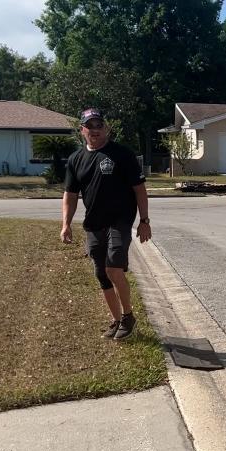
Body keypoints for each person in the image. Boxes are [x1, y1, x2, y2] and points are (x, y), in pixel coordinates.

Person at [61, 107, 151, 340]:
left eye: (99, 125)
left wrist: (144, 221)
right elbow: (70, 195)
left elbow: (139, 189)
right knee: (101, 274)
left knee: (113, 268)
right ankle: (116, 319)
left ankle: (129, 316)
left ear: (106, 128)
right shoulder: (75, 160)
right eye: (89, 126)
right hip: (93, 224)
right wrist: (66, 224)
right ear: (82, 130)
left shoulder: (122, 154)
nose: (95, 130)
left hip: (120, 221)